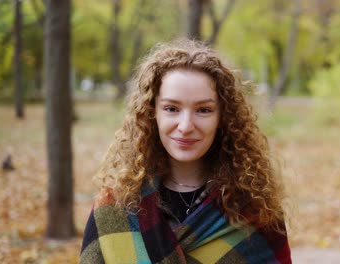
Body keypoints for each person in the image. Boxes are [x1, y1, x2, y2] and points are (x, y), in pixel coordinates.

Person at [80, 39, 291, 264]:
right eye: (171, 108)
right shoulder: (116, 208)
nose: (185, 125)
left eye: (203, 110)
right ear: (153, 114)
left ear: (223, 117)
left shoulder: (254, 210)